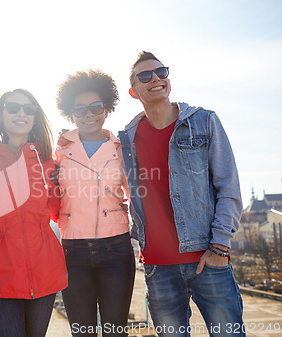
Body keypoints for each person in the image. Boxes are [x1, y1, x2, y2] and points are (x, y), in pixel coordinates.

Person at [119, 51, 245, 337]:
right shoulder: (126, 138)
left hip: (207, 259)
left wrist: (219, 248)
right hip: (158, 268)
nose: (155, 79)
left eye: (161, 72)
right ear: (133, 91)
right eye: (145, 76)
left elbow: (229, 187)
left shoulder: (204, 121)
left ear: (169, 80)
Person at [0, 89, 68, 337]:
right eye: (13, 107)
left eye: (29, 109)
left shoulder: (48, 159)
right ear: (0, 113)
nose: (22, 113)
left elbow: (57, 212)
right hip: (0, 271)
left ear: (36, 117)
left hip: (45, 269)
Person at [54, 69, 135, 337]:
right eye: (80, 109)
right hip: (73, 252)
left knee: (115, 332)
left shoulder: (122, 148)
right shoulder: (59, 152)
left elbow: (137, 196)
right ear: (71, 113)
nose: (89, 114)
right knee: (83, 333)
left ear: (107, 108)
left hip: (116, 249)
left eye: (96, 106)